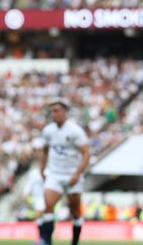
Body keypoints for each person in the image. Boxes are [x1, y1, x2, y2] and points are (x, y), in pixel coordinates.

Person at [37, 101, 90, 245]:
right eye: (52, 111)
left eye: (56, 111)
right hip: (54, 174)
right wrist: (42, 169)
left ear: (65, 112)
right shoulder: (48, 130)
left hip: (72, 175)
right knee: (48, 206)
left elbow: (86, 154)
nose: (54, 114)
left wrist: (77, 174)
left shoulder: (75, 131)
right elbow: (45, 151)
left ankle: (75, 242)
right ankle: (46, 241)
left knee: (75, 212)